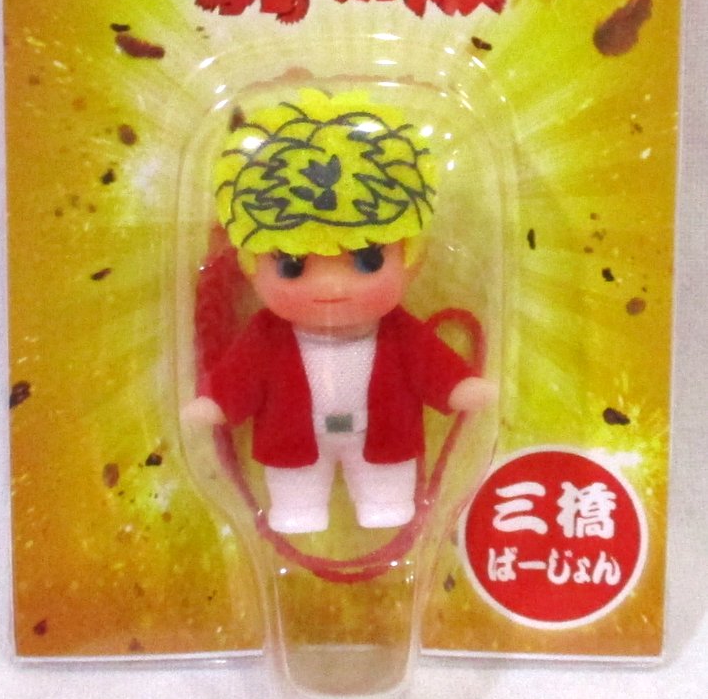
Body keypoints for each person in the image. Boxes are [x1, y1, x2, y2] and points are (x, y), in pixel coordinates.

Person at [185, 88, 494, 534]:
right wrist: (214, 402)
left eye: (367, 261)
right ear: (251, 268)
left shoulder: (399, 332)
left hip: (384, 439)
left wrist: (460, 387)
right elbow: (240, 375)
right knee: (294, 489)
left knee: (389, 487)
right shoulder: (266, 336)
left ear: (411, 260)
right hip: (292, 443)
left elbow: (431, 365)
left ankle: (386, 501)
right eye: (293, 266)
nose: (331, 287)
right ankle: (296, 508)